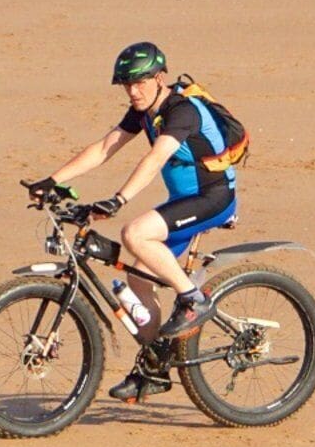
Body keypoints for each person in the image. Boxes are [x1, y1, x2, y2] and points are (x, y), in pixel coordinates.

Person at [34, 41, 240, 392]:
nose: (133, 90)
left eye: (140, 82)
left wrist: (118, 200)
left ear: (161, 77)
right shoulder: (143, 111)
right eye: (127, 84)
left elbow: (156, 158)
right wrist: (53, 180)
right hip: (183, 202)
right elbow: (104, 147)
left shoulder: (181, 110)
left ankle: (195, 300)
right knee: (139, 279)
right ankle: (155, 368)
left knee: (135, 234)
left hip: (213, 198)